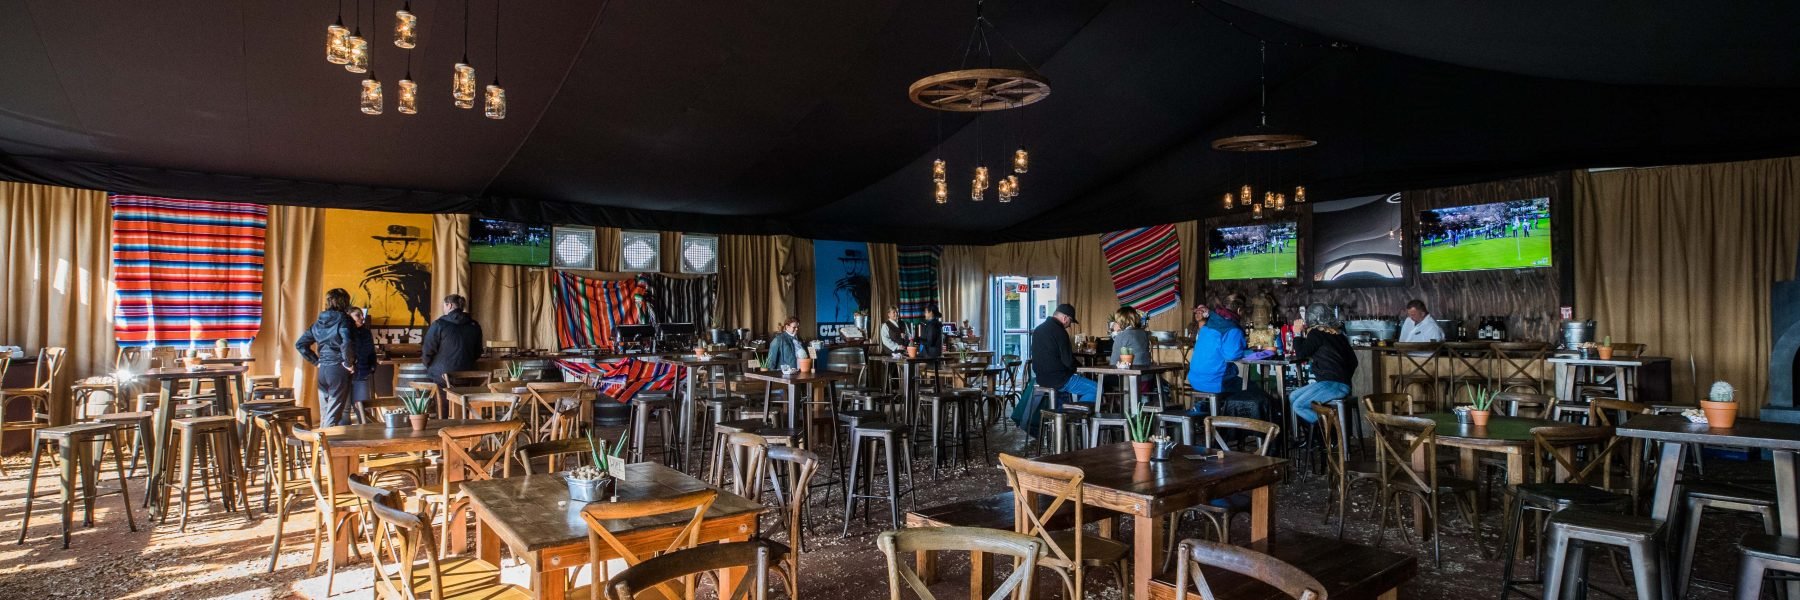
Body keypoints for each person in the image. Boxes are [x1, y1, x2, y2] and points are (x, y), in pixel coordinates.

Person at [295, 289, 355, 427]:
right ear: (344, 301)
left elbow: (300, 344)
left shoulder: (319, 322)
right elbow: (347, 342)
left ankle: (321, 445)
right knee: (334, 414)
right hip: (338, 369)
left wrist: (316, 361)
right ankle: (326, 446)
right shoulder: (344, 319)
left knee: (325, 413)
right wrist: (348, 363)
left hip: (323, 370)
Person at [1289, 317, 1357, 424]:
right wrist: (1343, 378)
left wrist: (1297, 333)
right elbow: (1354, 361)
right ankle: (1313, 434)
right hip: (1337, 383)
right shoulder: (1338, 334)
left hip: (1332, 384)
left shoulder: (1316, 333)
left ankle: (1331, 431)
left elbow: (1301, 354)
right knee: (1293, 396)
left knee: (1299, 406)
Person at [1030, 303, 1096, 405]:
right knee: (1096, 389)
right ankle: (1076, 416)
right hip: (1059, 380)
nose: (1069, 325)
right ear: (1065, 318)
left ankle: (1063, 414)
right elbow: (1068, 361)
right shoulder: (1060, 332)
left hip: (1041, 379)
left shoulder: (1038, 329)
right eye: (1070, 321)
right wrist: (1081, 368)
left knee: (1079, 386)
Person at [421, 294, 484, 386]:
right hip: (467, 376)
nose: (443, 309)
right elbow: (478, 352)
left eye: (444, 306)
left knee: (429, 379)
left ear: (449, 305)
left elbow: (428, 350)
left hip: (441, 377)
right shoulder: (474, 325)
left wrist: (430, 366)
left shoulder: (439, 324)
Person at [1187, 304, 1246, 395]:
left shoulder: (1206, 326)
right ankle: (1221, 408)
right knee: (1250, 388)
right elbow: (1232, 355)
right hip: (1213, 382)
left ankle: (1208, 406)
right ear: (1239, 310)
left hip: (1194, 379)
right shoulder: (1232, 328)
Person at [346, 306, 379, 408]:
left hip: (362, 373)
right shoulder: (344, 332)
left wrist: (372, 366)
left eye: (362, 315)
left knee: (362, 408)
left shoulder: (366, 332)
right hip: (345, 375)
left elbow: (371, 352)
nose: (362, 318)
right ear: (348, 316)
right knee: (344, 410)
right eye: (357, 315)